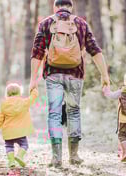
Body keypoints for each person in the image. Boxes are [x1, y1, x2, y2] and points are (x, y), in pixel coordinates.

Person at [29, 0, 110, 167]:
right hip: (75, 74)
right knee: (73, 112)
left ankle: (56, 158)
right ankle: (74, 156)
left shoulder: (46, 23)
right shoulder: (80, 23)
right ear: (70, 7)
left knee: (54, 114)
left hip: (53, 75)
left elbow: (37, 52)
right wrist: (105, 75)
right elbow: (94, 50)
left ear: (55, 7)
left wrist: (33, 79)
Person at [0, 83, 38, 168]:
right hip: (21, 131)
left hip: (8, 131)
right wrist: (34, 90)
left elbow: (0, 117)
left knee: (9, 146)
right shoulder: (23, 102)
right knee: (24, 145)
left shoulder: (4, 104)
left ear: (7, 94)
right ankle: (19, 156)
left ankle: (11, 162)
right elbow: (32, 98)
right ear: (19, 93)